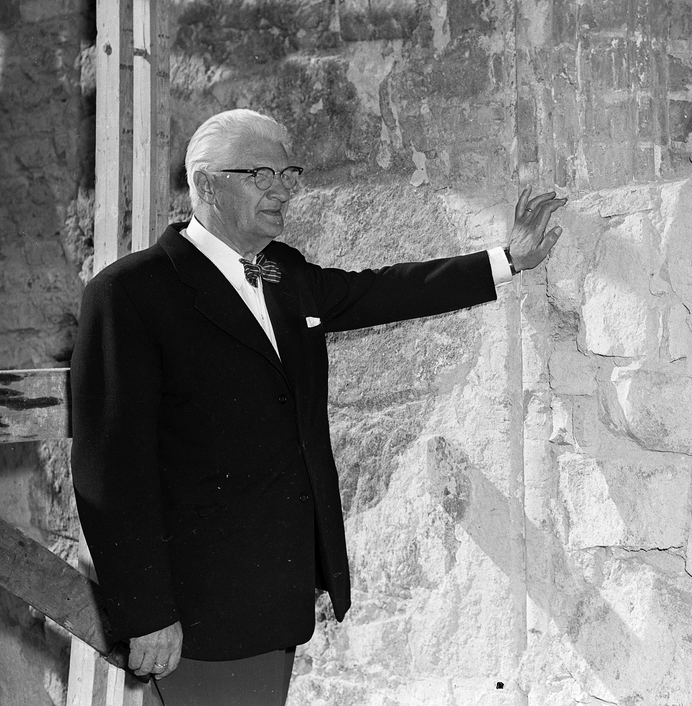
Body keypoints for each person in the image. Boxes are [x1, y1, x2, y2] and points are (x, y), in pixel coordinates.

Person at [70, 108, 566, 705]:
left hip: (274, 597)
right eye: (261, 174)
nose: (284, 189)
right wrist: (146, 611)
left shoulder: (283, 273)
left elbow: (380, 291)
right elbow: (109, 471)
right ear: (206, 185)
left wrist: (505, 259)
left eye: (289, 172)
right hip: (196, 612)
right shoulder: (128, 293)